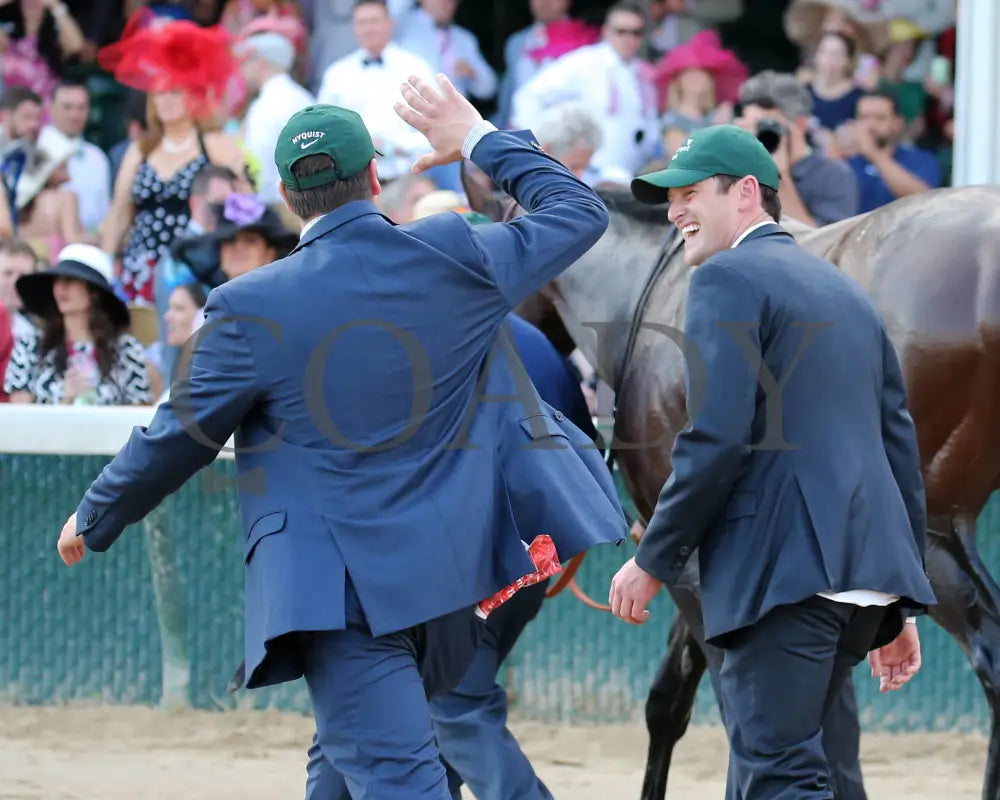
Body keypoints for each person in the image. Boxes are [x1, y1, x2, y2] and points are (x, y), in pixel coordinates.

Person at [56, 76, 626, 800]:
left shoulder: (250, 304)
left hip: (341, 599)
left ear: (290, 199)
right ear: (375, 177)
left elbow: (178, 437)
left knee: (392, 781)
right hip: (444, 583)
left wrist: (97, 513)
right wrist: (477, 135)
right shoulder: (454, 252)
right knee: (344, 773)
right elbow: (577, 209)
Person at [609, 123, 936, 798]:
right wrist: (895, 605)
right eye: (670, 199)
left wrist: (654, 559)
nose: (674, 213)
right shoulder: (842, 287)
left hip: (784, 577)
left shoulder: (727, 275)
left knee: (776, 776)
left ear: (747, 194)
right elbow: (897, 446)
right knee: (780, 769)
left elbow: (715, 439)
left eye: (690, 194)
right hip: (853, 583)